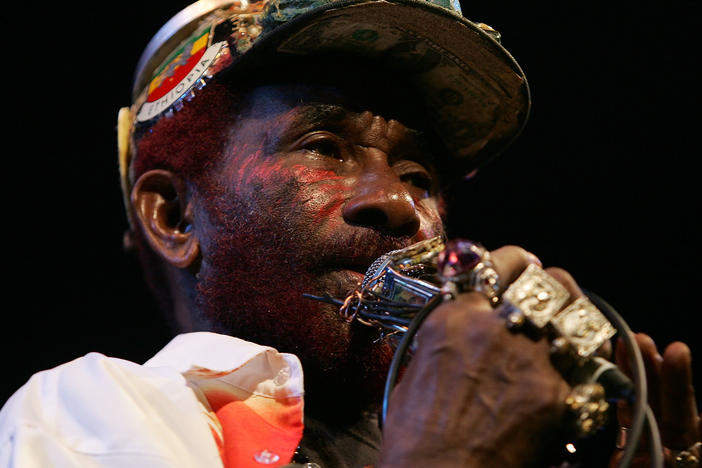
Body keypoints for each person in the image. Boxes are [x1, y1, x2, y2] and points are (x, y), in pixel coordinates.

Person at [1, 0, 699, 467]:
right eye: (326, 146)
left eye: (421, 175)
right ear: (176, 217)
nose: (400, 204)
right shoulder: (83, 414)